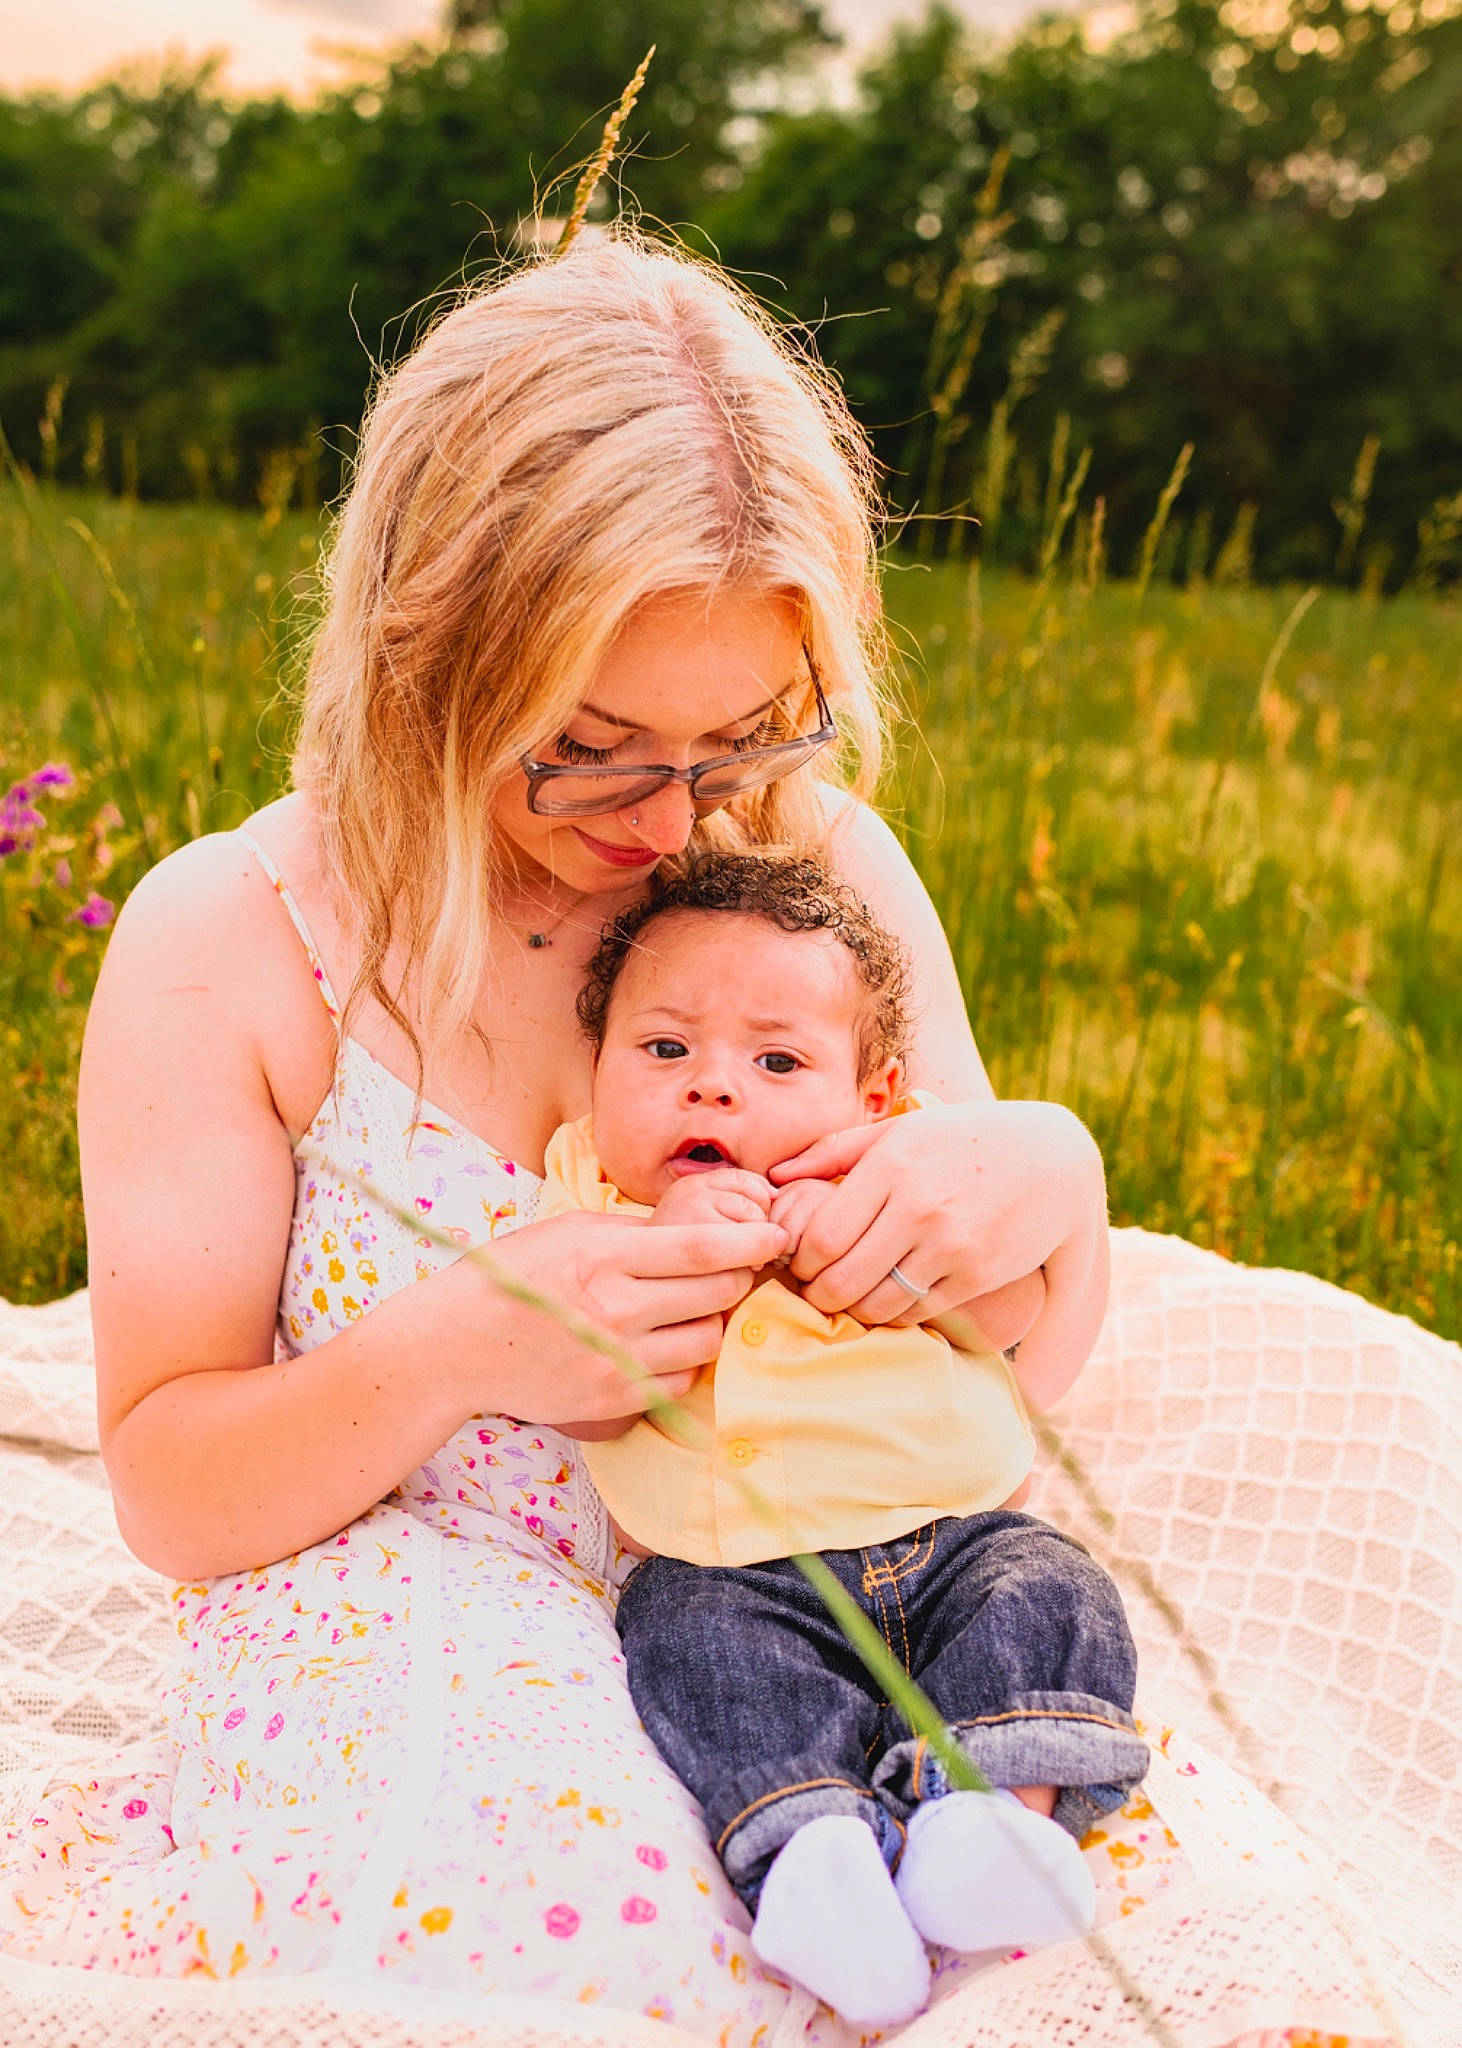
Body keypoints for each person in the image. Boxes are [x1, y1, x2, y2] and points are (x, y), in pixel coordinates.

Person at [0, 229, 1381, 2045]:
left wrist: (1053, 1185)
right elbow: (175, 1484)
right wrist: (460, 1344)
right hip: (425, 1594)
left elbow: (1004, 1367)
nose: (673, 817)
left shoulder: (807, 874)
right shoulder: (236, 940)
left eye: (738, 737)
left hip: (829, 1564)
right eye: (590, 749)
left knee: (1130, 1938)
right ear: (426, 646)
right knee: (616, 1955)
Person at [536, 849, 1148, 2027]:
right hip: (732, 1570)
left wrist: (889, 1261)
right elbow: (572, 1379)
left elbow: (1009, 1320)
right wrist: (665, 1252)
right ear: (598, 1069)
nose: (713, 1088)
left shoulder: (902, 1176)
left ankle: (988, 1822)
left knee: (1054, 1588)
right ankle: (815, 1855)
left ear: (874, 1100)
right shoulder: (590, 1198)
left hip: (949, 1535)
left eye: (776, 1060)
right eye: (664, 1051)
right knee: (691, 1650)